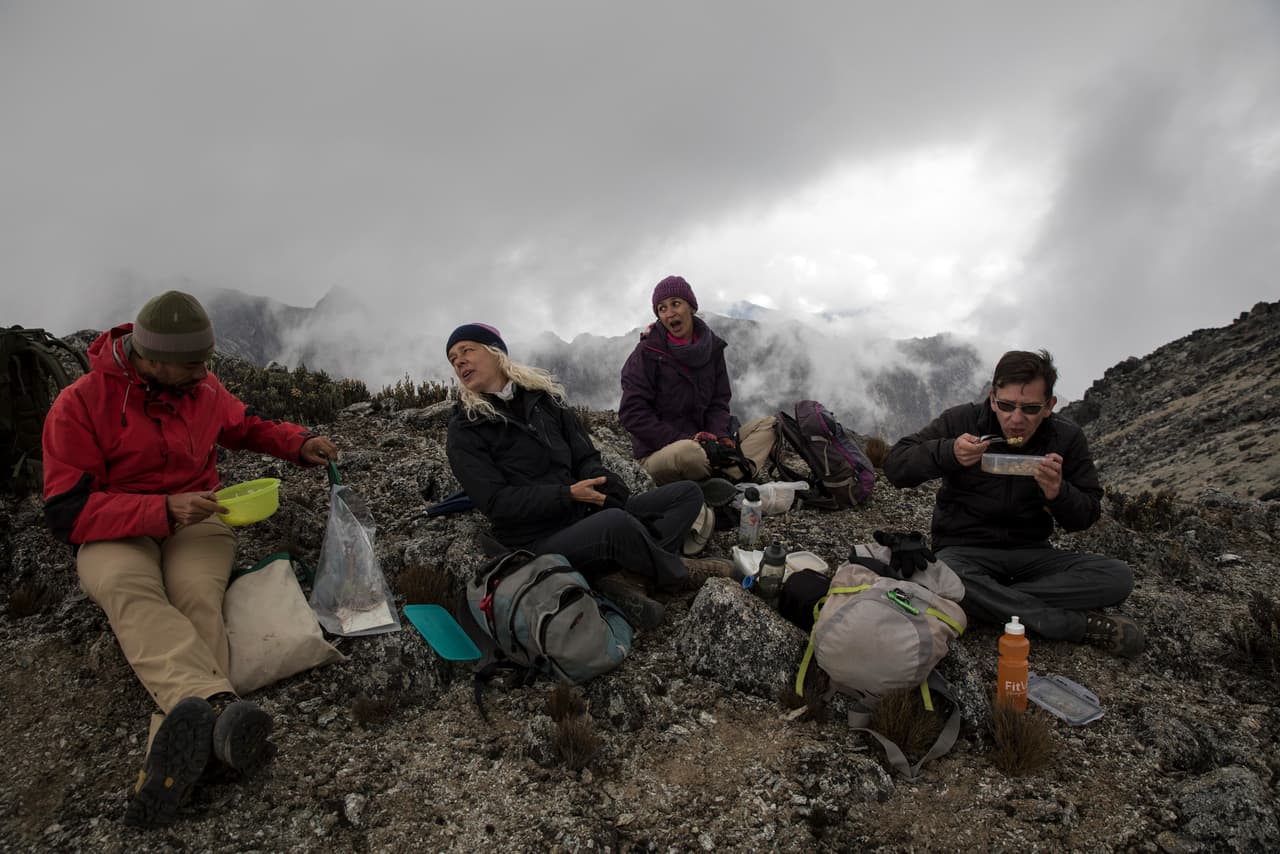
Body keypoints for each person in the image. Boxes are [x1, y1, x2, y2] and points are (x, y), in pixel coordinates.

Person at [41, 291, 339, 827]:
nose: (206, 372)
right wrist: (159, 509)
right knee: (131, 593)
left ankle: (176, 751)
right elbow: (68, 511)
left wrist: (299, 442)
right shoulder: (80, 404)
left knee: (198, 597)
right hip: (115, 528)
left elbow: (244, 424)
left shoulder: (202, 387)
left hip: (199, 516)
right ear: (151, 360)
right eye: (193, 364)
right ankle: (221, 710)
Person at [444, 323, 731, 625]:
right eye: (453, 359)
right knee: (616, 524)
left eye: (467, 350)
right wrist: (567, 494)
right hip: (536, 540)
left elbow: (585, 456)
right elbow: (497, 503)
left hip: (583, 509)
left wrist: (601, 481)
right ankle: (678, 573)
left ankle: (630, 576)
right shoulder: (465, 429)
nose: (459, 361)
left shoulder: (543, 400)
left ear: (495, 353)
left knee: (686, 494)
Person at [883, 349, 1144, 658]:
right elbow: (896, 466)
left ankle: (983, 603)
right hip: (964, 552)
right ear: (993, 398)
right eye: (1006, 406)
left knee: (1117, 577)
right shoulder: (962, 421)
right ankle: (1073, 625)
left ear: (1050, 406)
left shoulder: (1067, 438)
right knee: (950, 572)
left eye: (1031, 409)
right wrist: (948, 452)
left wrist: (1059, 492)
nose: (1016, 419)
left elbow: (1086, 514)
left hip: (1031, 556)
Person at [619, 275, 776, 487]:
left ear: (691, 307)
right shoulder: (647, 353)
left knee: (769, 426)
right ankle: (730, 478)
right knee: (690, 454)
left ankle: (721, 481)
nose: (670, 313)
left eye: (675, 304)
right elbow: (632, 414)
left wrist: (720, 439)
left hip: (706, 446)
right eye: (662, 308)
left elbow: (718, 402)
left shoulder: (712, 349)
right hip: (663, 452)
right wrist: (689, 440)